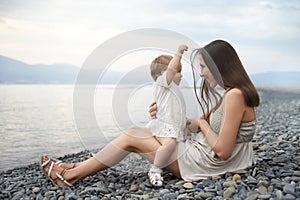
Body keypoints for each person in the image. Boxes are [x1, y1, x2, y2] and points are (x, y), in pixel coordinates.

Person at [39, 39, 259, 187]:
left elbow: (223, 151)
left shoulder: (234, 96)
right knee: (136, 132)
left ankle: (70, 175)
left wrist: (201, 125)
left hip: (205, 161)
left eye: (203, 67)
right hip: (204, 154)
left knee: (132, 137)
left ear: (219, 66)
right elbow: (198, 125)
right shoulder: (231, 94)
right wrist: (167, 115)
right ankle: (74, 167)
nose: (201, 74)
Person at [146, 45, 188, 187]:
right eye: (178, 71)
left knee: (176, 146)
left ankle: (163, 164)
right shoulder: (162, 83)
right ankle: (155, 169)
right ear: (162, 74)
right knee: (169, 144)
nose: (180, 75)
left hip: (173, 127)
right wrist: (178, 53)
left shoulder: (172, 89)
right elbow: (171, 70)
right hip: (164, 126)